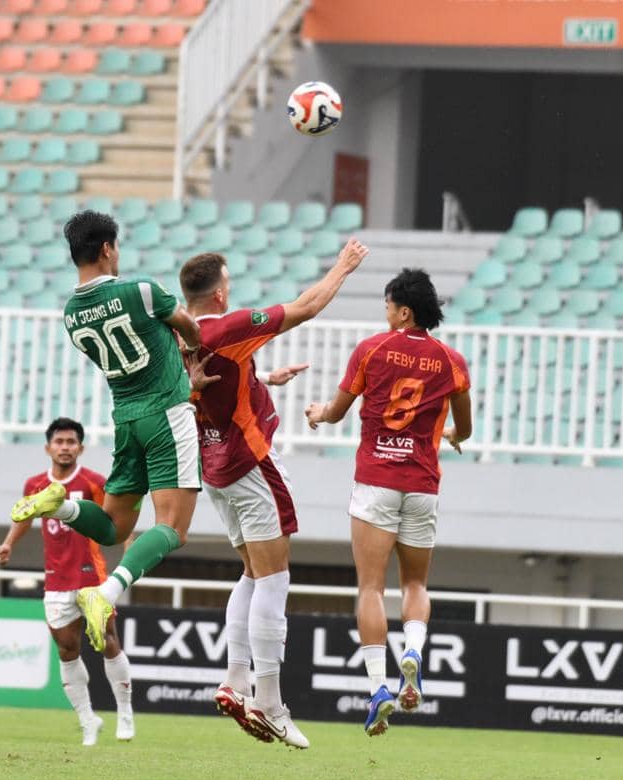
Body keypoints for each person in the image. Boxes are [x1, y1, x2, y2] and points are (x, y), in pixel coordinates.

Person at [180, 240, 369, 750]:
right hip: (250, 462)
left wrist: (262, 378)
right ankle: (269, 701)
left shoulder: (175, 336)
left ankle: (235, 679)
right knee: (275, 578)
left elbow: (204, 380)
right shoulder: (228, 326)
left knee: (251, 572)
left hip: (213, 465)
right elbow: (306, 307)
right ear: (220, 294)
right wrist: (343, 266)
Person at [11, 210, 204, 654]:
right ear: (106, 249)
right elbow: (190, 329)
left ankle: (61, 506)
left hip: (126, 420)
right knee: (173, 528)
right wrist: (190, 353)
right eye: (116, 247)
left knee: (114, 528)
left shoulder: (71, 314)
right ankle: (107, 592)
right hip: (167, 416)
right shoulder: (142, 290)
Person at [304, 269, 471, 738]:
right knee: (415, 582)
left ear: (404, 312)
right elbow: (466, 427)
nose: (386, 313)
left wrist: (318, 412)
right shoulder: (452, 361)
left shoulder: (371, 349)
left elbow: (337, 412)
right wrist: (452, 435)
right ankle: (413, 650)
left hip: (376, 481)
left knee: (371, 588)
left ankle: (379, 686)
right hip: (422, 485)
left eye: (388, 306)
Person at [0, 418, 134, 746]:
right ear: (48, 448)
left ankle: (125, 712)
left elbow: (117, 517)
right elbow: (26, 516)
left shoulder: (94, 482)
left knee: (108, 641)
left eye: (71, 442)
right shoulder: (35, 485)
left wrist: (128, 542)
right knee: (67, 649)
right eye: (60, 442)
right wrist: (8, 544)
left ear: (81, 448)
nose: (65, 447)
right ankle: (88, 720)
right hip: (56, 581)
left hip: (92, 577)